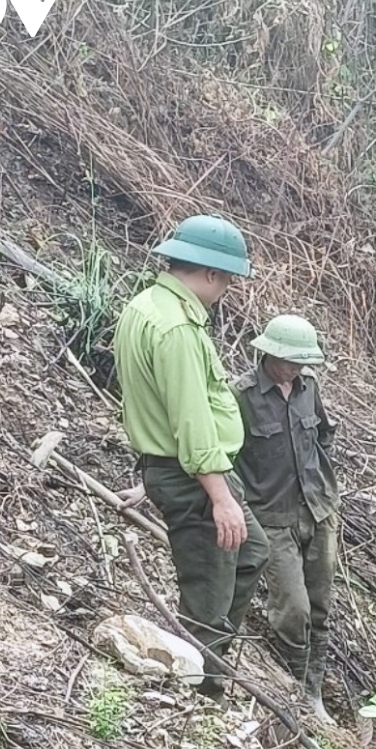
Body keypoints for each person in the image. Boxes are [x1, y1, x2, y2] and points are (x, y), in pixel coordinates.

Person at [112, 214, 269, 703]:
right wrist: (219, 497)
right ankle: (197, 692)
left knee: (251, 552)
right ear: (209, 274)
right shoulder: (177, 328)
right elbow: (191, 419)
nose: (225, 291)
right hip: (194, 476)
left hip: (176, 470)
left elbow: (153, 403)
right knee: (208, 591)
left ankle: (209, 670)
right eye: (226, 281)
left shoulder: (144, 307)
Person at [233, 314, 339, 724]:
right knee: (290, 608)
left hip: (319, 508)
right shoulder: (241, 396)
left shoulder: (309, 388)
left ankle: (314, 694)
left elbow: (324, 435)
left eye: (302, 362)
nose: (297, 369)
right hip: (272, 517)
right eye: (291, 361)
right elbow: (228, 456)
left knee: (319, 605)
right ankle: (294, 689)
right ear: (268, 354)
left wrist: (325, 484)